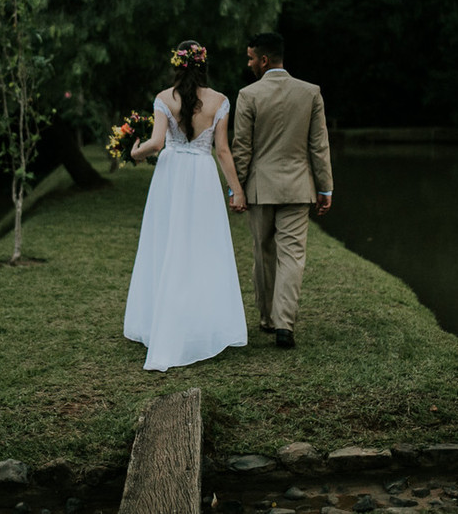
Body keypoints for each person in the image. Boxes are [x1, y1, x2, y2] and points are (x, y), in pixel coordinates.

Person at [122, 40, 249, 371]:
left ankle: (163, 321)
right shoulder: (220, 101)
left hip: (171, 175)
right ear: (203, 66)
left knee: (166, 245)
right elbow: (223, 151)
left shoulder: (164, 98)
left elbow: (157, 143)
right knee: (202, 247)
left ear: (176, 66)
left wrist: (135, 153)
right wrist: (236, 190)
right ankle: (200, 323)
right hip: (203, 176)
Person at [232, 32, 333, 349]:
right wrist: (325, 187)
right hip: (298, 188)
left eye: (251, 58)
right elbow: (319, 146)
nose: (249, 64)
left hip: (260, 188)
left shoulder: (248, 95)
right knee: (292, 256)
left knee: (263, 252)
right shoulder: (310, 92)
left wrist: (237, 189)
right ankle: (285, 324)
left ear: (264, 60)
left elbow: (242, 149)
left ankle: (268, 318)